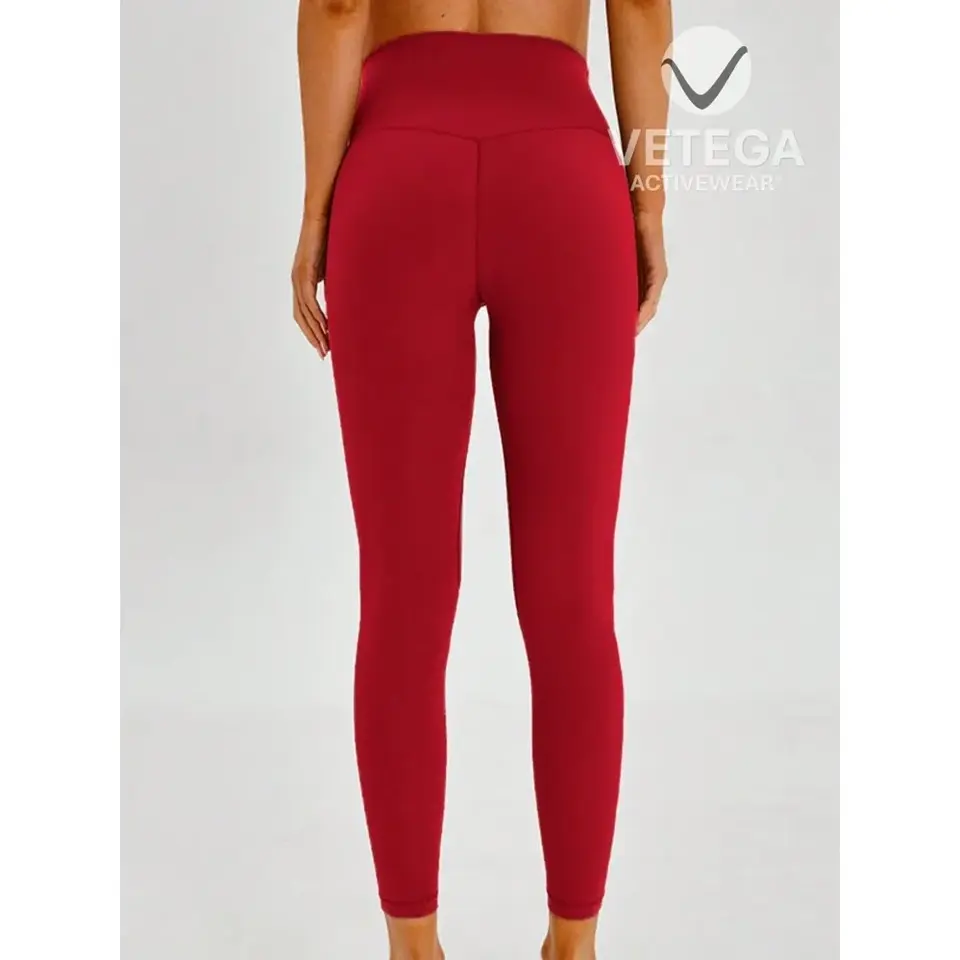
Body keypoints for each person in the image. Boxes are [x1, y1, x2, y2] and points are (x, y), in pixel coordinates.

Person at [291, 2, 671, 958]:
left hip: (397, 170)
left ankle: (413, 948)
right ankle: (573, 945)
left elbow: (338, 8)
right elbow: (640, 7)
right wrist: (648, 203)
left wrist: (316, 210)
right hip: (565, 170)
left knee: (404, 596)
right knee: (574, 594)